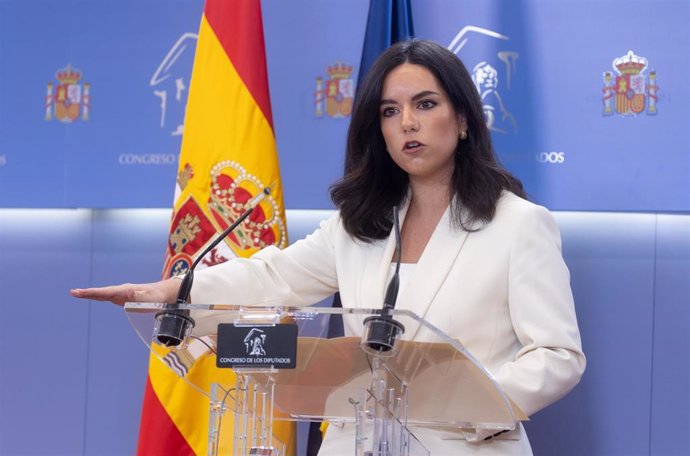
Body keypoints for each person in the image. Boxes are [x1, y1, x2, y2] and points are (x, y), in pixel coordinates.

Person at [71, 39, 585, 455]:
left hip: (465, 445)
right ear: (377, 129)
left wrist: (476, 398)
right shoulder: (360, 223)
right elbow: (273, 278)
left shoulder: (518, 224)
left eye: (425, 104)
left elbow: (559, 355)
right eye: (390, 110)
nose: (407, 122)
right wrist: (170, 292)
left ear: (465, 119)